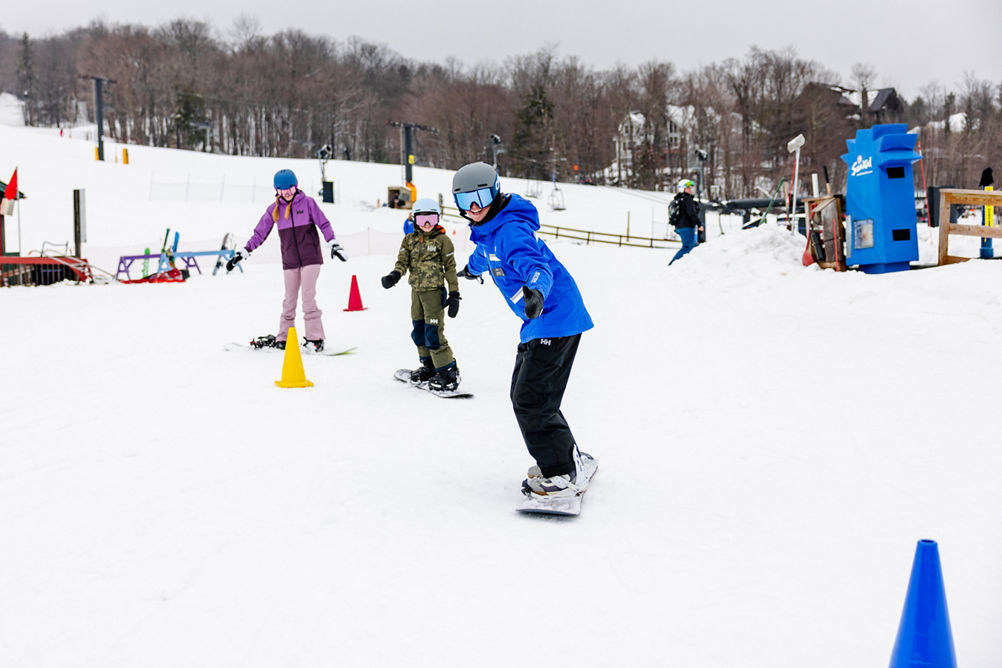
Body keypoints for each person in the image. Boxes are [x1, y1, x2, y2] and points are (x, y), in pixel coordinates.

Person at [452, 161, 595, 499]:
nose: (475, 207)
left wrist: (536, 293)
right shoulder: (489, 233)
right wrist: (468, 272)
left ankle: (562, 473)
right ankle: (564, 458)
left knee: (531, 399)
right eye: (465, 201)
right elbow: (482, 257)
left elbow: (536, 267)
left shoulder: (510, 232)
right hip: (542, 321)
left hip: (553, 315)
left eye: (481, 196)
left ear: (496, 191)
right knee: (530, 395)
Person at [226, 169, 347, 351]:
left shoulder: (308, 203)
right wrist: (244, 252)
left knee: (308, 298)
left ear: (296, 186)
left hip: (311, 258)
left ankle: (315, 339)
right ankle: (284, 338)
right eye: (282, 189)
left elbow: (324, 223)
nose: (287, 192)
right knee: (289, 301)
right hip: (290, 261)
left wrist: (333, 243)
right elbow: (260, 233)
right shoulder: (274, 210)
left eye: (290, 187)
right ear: (277, 190)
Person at [381, 198, 462, 391]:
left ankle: (448, 370)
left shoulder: (443, 241)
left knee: (433, 332)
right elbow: (402, 262)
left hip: (434, 293)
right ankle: (429, 366)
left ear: (438, 219)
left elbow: (450, 268)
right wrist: (394, 275)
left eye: (432, 219)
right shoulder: (409, 240)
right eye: (422, 219)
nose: (427, 224)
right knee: (418, 331)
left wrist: (454, 294)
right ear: (414, 219)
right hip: (416, 293)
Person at [668, 178, 703, 265]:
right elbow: (692, 213)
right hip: (686, 227)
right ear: (682, 188)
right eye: (688, 187)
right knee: (688, 246)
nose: (690, 189)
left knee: (692, 245)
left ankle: (686, 264)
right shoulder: (687, 199)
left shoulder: (680, 200)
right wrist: (699, 224)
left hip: (680, 227)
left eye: (690, 187)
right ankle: (673, 265)